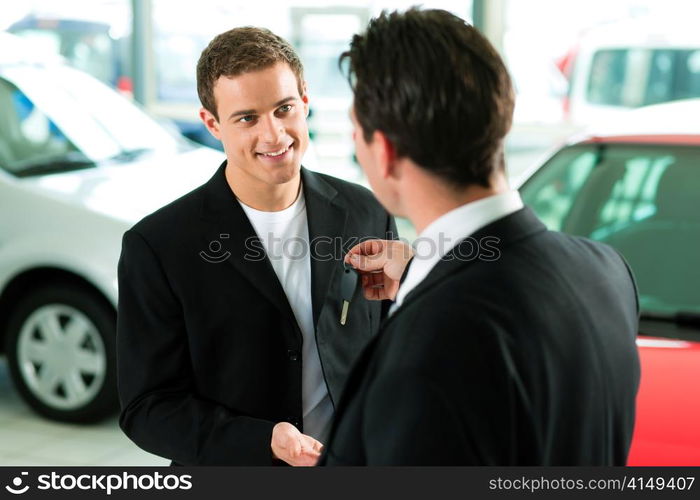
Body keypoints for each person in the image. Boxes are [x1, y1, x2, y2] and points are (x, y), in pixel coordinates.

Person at [319, 8, 640, 465]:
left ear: (384, 151)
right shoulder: (605, 270)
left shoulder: (429, 348)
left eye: (356, 132)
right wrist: (418, 276)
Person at [116, 27, 395, 466]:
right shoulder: (158, 246)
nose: (274, 135)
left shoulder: (367, 212)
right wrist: (261, 440)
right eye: (247, 118)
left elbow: (391, 350)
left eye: (284, 109)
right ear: (212, 124)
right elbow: (147, 407)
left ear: (304, 100)